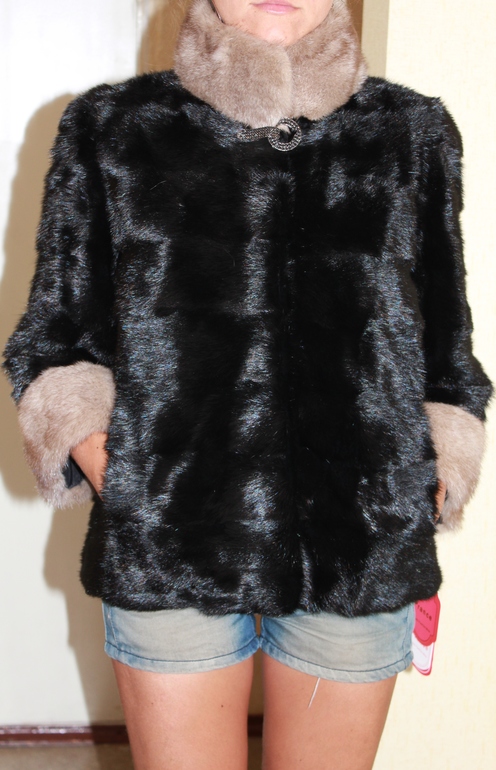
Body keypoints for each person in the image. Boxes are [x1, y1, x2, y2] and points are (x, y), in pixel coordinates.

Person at [3, 0, 492, 768]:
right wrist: (125, 479)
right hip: (169, 551)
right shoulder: (112, 130)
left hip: (360, 552)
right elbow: (53, 343)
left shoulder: (413, 135)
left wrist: (419, 487)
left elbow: (448, 353)